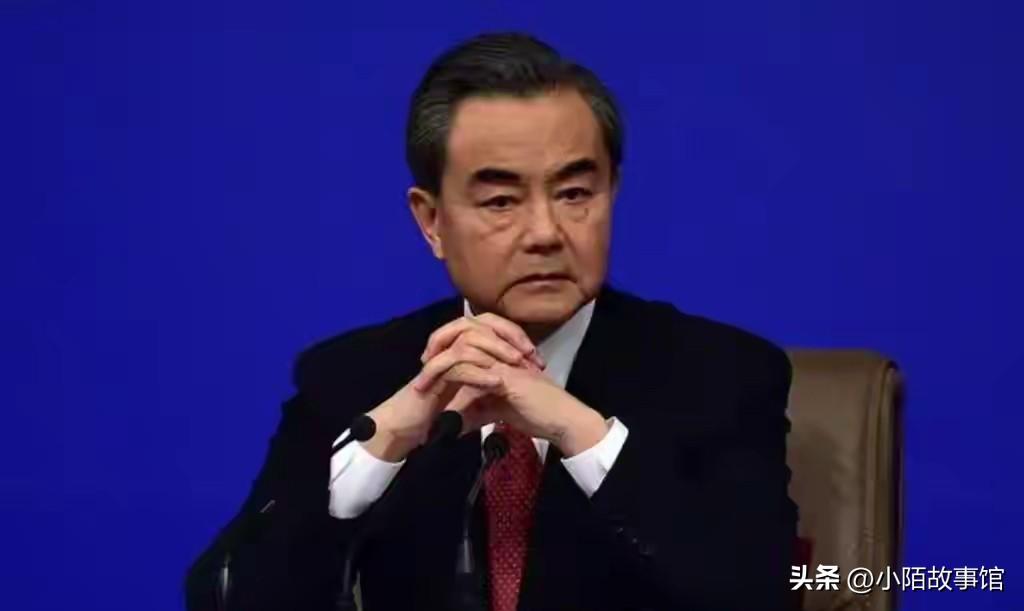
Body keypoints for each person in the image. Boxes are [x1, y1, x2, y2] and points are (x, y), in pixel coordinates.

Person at [185, 32, 797, 611]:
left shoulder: (722, 374)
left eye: (575, 193)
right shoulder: (351, 377)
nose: (545, 233)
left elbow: (765, 591)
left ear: (612, 191)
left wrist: (579, 431)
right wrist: (382, 447)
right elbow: (224, 596)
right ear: (431, 222)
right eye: (501, 201)